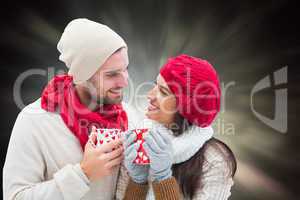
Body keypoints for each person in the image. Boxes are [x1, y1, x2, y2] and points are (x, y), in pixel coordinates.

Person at [3, 18, 137, 200]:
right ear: (83, 76)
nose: (124, 81)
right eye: (112, 74)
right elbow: (15, 197)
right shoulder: (34, 121)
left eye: (125, 69)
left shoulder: (130, 116)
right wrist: (82, 174)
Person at [116, 55, 237, 199]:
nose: (150, 95)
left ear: (187, 107)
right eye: (155, 85)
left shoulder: (214, 161)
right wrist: (138, 181)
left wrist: (163, 178)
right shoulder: (141, 140)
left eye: (163, 91)